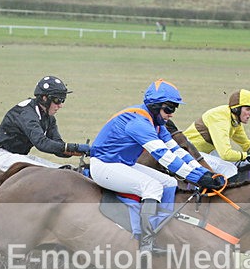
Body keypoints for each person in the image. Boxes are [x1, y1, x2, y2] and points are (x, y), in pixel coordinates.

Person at [89, 79, 223, 256]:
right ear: (155, 106)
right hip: (104, 166)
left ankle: (160, 231)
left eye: (174, 109)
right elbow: (165, 157)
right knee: (152, 187)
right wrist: (196, 178)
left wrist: (204, 173)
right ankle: (145, 242)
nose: (172, 114)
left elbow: (176, 150)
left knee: (169, 182)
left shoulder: (156, 123)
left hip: (122, 164)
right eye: (169, 109)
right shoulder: (139, 123)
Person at [0, 75, 90, 172]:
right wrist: (74, 147)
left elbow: (58, 146)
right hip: (3, 158)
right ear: (44, 98)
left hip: (20, 157)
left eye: (62, 100)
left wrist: (83, 151)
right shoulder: (27, 114)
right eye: (57, 100)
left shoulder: (49, 118)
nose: (60, 105)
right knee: (54, 171)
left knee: (66, 169)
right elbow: (41, 143)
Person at [182, 89, 250, 179]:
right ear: (237, 109)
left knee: (243, 163)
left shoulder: (234, 119)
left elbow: (246, 144)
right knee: (229, 169)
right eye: (248, 109)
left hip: (202, 152)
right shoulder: (220, 119)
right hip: (188, 152)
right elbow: (226, 154)